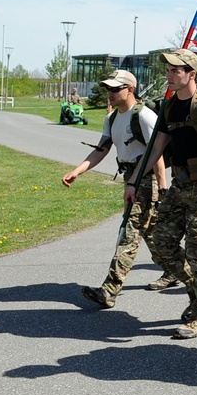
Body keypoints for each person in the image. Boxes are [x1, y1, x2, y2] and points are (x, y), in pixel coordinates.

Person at [125, 49, 197, 340]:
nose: (169, 75)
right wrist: (133, 183)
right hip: (179, 185)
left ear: (191, 74)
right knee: (161, 242)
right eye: (168, 70)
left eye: (175, 70)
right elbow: (155, 150)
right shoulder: (169, 107)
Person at [64, 69, 170, 308]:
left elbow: (157, 153)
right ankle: (179, 270)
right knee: (153, 233)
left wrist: (162, 187)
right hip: (130, 178)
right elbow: (101, 149)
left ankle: (109, 290)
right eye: (107, 89)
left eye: (114, 89)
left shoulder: (143, 116)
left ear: (130, 89)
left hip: (146, 177)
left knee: (130, 232)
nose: (109, 93)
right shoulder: (112, 118)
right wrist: (77, 171)